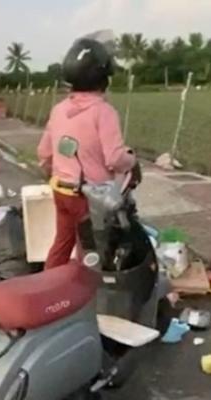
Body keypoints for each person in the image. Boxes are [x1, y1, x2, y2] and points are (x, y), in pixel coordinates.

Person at [37, 36, 136, 269]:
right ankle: (88, 299)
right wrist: (131, 159)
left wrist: (56, 171)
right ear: (104, 79)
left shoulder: (59, 110)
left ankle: (47, 290)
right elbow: (114, 158)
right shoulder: (103, 112)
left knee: (62, 243)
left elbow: (43, 152)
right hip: (88, 197)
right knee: (91, 252)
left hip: (61, 190)